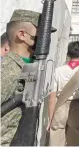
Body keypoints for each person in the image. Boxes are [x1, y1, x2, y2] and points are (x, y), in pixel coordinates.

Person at [1, 9, 56, 146]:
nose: (45, 39)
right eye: (40, 33)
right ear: (22, 35)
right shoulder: (8, 69)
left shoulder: (31, 67)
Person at [47, 41, 79, 146]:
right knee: (74, 143)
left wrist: (50, 120)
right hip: (76, 108)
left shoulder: (58, 71)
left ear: (68, 53)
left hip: (59, 106)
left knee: (55, 143)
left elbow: (52, 99)